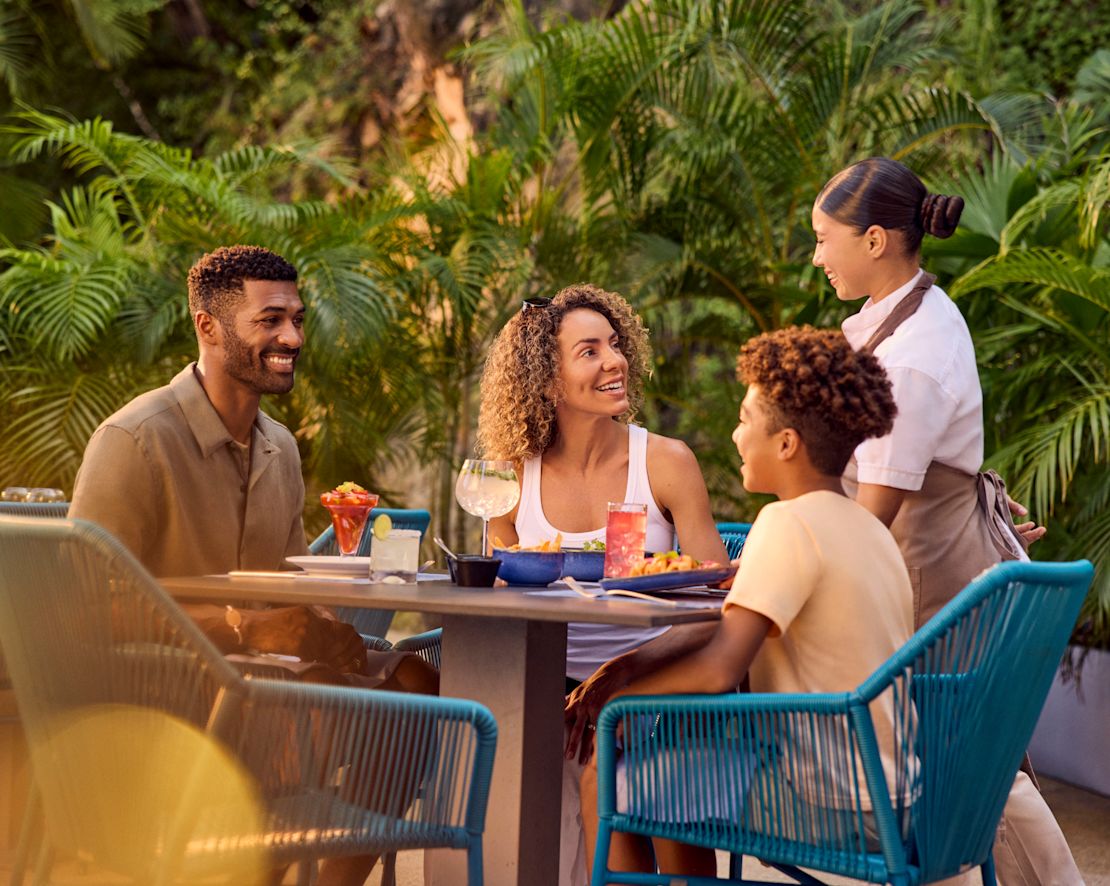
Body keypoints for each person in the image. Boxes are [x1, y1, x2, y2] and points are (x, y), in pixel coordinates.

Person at [69, 244, 435, 886]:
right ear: (208, 326)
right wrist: (246, 626)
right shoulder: (133, 440)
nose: (292, 337)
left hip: (262, 674)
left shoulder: (280, 448)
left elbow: (285, 582)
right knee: (303, 706)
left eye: (297, 319)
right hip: (165, 685)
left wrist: (319, 619)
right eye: (270, 320)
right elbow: (89, 607)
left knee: (416, 682)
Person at [812, 156, 1080, 884]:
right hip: (925, 562)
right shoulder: (907, 317)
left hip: (928, 574)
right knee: (955, 765)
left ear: (874, 241)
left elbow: (875, 515)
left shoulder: (914, 354)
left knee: (965, 765)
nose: (817, 256)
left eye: (824, 238)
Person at [571, 326, 910, 878]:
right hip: (895, 794)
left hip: (825, 798)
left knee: (602, 771)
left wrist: (620, 701)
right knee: (672, 764)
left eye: (745, 420)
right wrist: (630, 667)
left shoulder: (786, 523)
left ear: (786, 444)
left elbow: (719, 669)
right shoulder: (869, 529)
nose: (734, 435)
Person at [477, 283, 729, 883]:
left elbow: (721, 599)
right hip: (546, 687)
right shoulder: (512, 475)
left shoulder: (664, 461)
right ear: (546, 379)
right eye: (589, 352)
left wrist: (627, 674)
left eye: (615, 345)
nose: (615, 361)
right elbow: (496, 595)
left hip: (655, 683)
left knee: (627, 766)